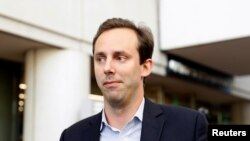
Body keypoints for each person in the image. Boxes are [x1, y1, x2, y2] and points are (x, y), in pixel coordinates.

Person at [60, 18, 208, 141]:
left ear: (145, 67)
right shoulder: (72, 136)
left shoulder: (188, 127)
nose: (107, 67)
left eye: (120, 58)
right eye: (100, 58)